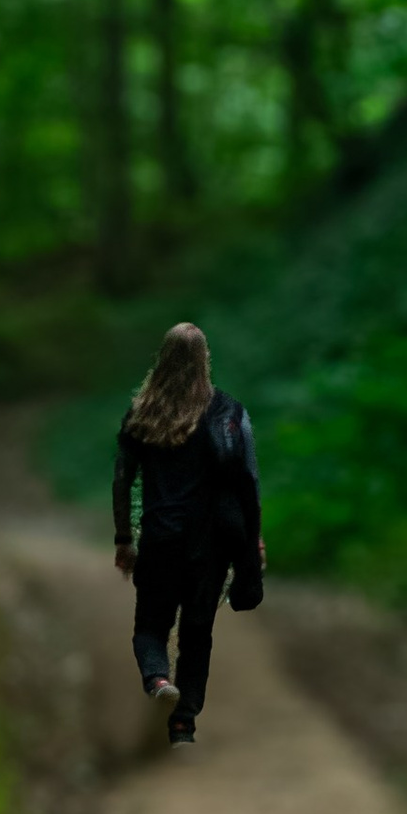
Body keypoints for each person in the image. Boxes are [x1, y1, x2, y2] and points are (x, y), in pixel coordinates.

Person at [110, 319, 263, 755]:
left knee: (150, 625)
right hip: (211, 546)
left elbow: (123, 479)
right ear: (204, 360)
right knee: (198, 633)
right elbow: (248, 482)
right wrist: (254, 542)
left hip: (160, 538)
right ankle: (183, 728)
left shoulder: (142, 414)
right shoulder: (229, 414)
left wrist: (124, 538)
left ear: (163, 359)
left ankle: (158, 679)